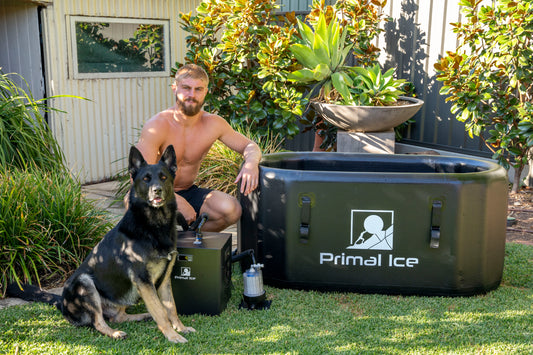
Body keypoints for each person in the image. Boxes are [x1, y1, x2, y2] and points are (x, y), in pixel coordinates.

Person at [134, 64, 261, 232]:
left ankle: (189, 244)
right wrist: (175, 200)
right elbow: (140, 178)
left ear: (206, 92)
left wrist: (251, 163)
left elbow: (249, 145)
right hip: (154, 192)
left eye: (198, 89)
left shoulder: (213, 124)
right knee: (133, 201)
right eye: (186, 88)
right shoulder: (157, 126)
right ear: (175, 88)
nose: (192, 95)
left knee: (231, 210)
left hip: (188, 191)